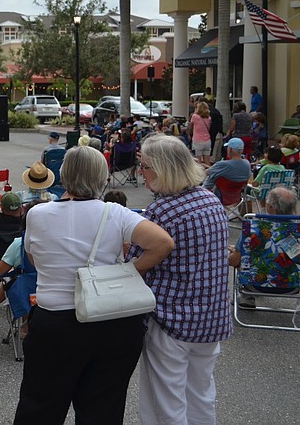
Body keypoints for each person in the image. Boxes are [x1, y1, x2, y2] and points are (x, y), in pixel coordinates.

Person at [13, 146, 174, 423]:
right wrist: (125, 271)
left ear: (63, 176)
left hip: (56, 322)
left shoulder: (37, 215)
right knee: (102, 410)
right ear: (102, 178)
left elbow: (32, 256)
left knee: (40, 407)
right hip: (112, 321)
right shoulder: (116, 213)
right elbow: (162, 243)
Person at [130, 134, 232, 424]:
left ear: (163, 169)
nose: (142, 172)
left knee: (166, 402)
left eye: (146, 166)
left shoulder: (162, 211)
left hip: (171, 319)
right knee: (201, 393)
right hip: (211, 318)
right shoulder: (210, 200)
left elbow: (136, 262)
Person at [188, 100, 213, 165]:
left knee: (198, 161)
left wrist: (189, 134)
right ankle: (208, 174)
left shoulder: (195, 116)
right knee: (207, 161)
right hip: (207, 141)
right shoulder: (209, 118)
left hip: (197, 140)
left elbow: (191, 127)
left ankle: (199, 174)